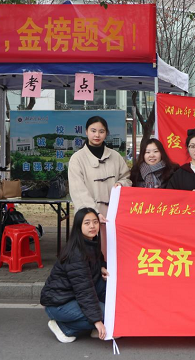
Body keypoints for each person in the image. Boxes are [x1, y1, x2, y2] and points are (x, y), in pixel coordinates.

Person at [41, 208, 109, 342]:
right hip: (59, 303)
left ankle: (94, 326)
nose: (92, 226)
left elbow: (97, 261)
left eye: (95, 222)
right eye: (87, 223)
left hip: (74, 295)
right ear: (79, 226)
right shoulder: (76, 253)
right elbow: (84, 290)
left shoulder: (91, 242)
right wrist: (97, 320)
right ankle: (64, 328)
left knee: (110, 301)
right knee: (105, 315)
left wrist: (101, 267)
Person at [68, 116, 132, 224]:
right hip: (88, 218)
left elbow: (126, 179)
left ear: (106, 133)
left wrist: (121, 183)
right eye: (93, 131)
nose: (97, 135)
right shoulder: (77, 159)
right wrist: (94, 213)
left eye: (101, 131)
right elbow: (78, 191)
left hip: (113, 216)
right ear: (86, 132)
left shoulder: (115, 156)